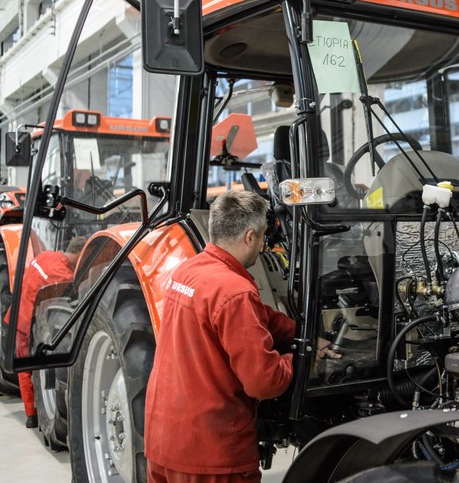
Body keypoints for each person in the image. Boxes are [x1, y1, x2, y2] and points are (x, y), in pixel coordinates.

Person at [145, 190, 339, 483]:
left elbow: (260, 317)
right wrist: (302, 359)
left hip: (164, 443)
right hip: (213, 454)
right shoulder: (234, 291)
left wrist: (304, 335)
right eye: (262, 238)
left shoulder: (187, 272)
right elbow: (264, 382)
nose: (263, 245)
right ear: (250, 237)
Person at [8, 235, 87, 428]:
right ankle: (32, 416)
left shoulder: (45, 256)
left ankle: (31, 414)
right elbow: (76, 293)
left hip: (19, 311)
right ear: (78, 255)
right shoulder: (61, 274)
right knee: (26, 365)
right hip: (26, 321)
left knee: (25, 363)